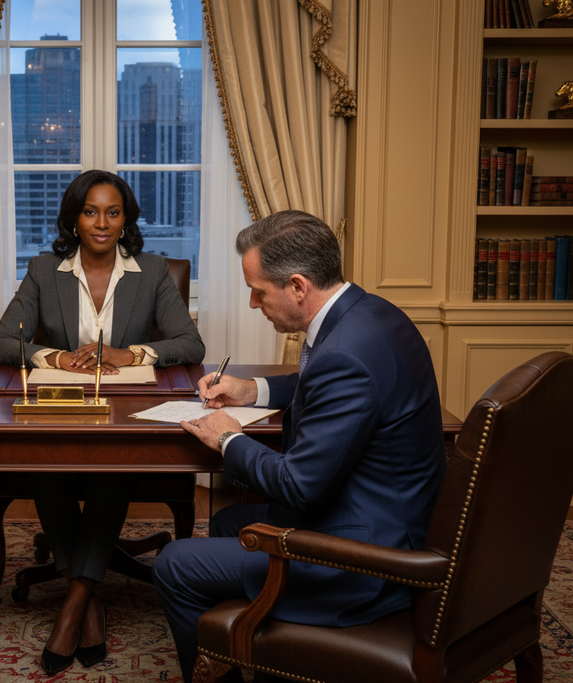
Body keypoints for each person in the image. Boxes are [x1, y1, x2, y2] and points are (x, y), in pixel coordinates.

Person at [152, 210, 446, 683]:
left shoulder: (345, 356)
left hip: (366, 562)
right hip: (396, 516)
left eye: (258, 291)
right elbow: (322, 383)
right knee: (229, 521)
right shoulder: (370, 314)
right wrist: (252, 390)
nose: (253, 303)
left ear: (297, 286)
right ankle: (267, 652)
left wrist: (228, 438)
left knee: (173, 565)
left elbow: (299, 486)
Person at [0, 170, 205, 675]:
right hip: (61, 407)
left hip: (125, 412)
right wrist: (57, 358)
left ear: (126, 220)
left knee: (114, 460)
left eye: (113, 212)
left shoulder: (152, 271)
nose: (101, 223)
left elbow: (190, 344)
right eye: (90, 212)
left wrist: (130, 353)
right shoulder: (45, 270)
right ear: (74, 219)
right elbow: (0, 343)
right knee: (46, 459)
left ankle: (74, 604)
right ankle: (87, 604)